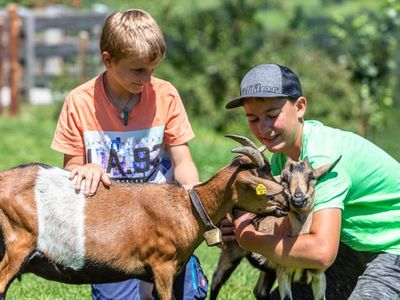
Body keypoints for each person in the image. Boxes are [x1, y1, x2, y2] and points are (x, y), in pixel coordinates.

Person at [51, 8, 208, 300]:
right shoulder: (79, 102)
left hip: (161, 217)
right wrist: (86, 169)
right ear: (108, 59)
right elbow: (71, 167)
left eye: (153, 69)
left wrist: (193, 199)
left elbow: (182, 161)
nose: (147, 79)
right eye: (138, 70)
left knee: (187, 294)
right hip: (111, 224)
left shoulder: (166, 95)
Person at [224, 63, 400, 299]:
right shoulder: (282, 158)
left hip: (391, 249)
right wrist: (241, 219)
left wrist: (248, 237)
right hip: (352, 247)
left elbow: (320, 252)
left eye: (272, 115)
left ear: (300, 107)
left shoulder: (319, 159)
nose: (263, 128)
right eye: (253, 119)